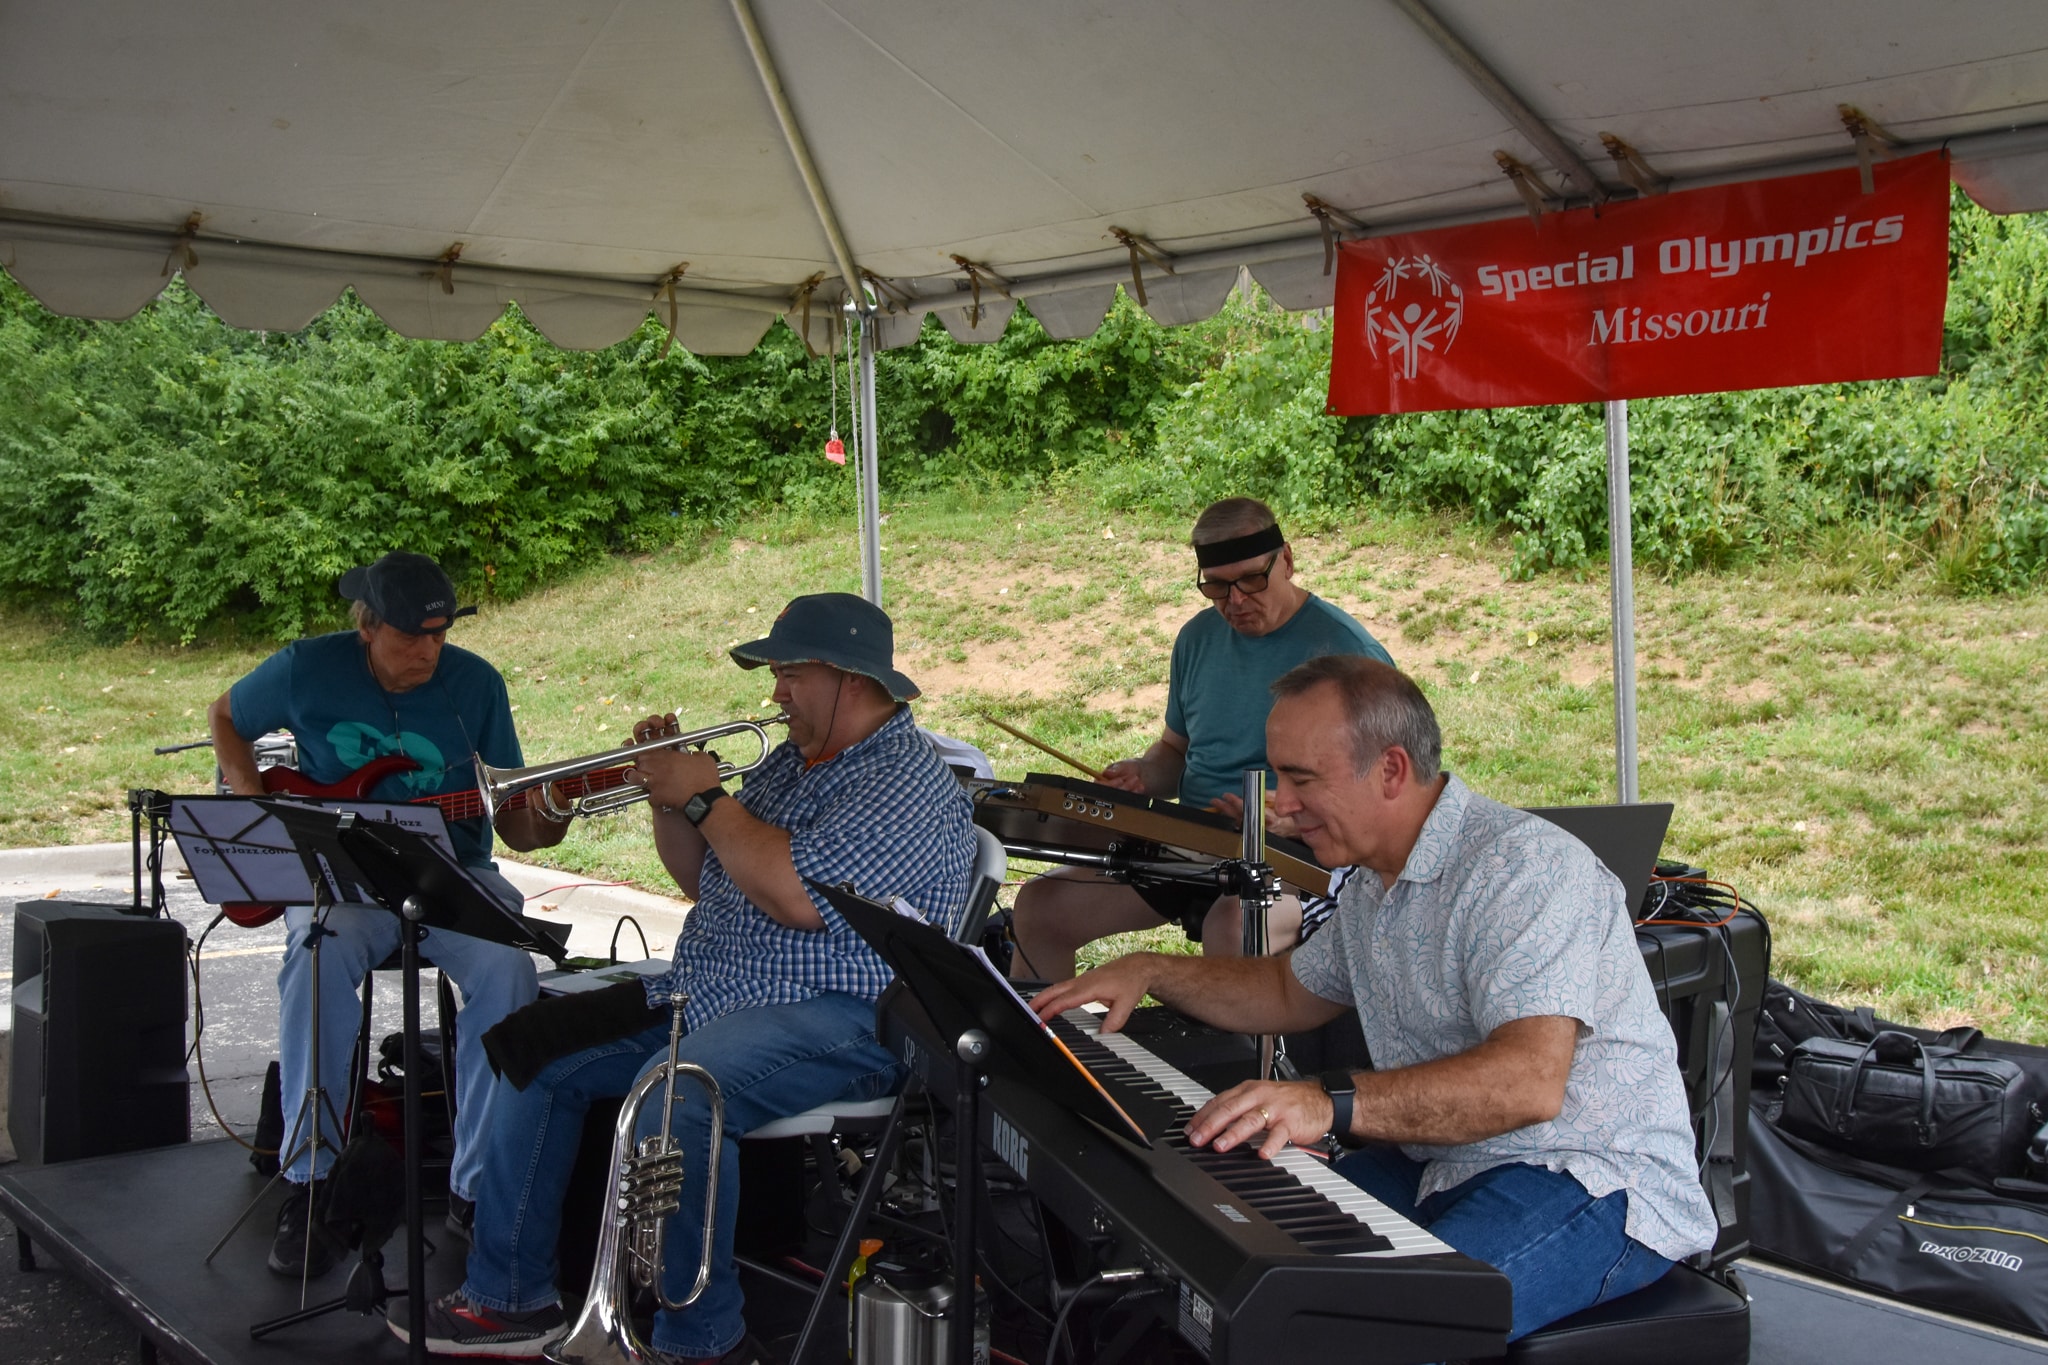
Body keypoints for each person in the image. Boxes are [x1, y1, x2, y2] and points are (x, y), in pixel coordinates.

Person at [1032, 656, 1717, 1343]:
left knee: (1359, 1334)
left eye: (1302, 778)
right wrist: (1152, 970)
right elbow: (1286, 988)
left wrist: (1326, 1101)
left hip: (1590, 1176)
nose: (1280, 802)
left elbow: (1528, 1081)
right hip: (1441, 1156)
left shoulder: (1524, 870)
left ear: (1391, 770)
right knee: (1243, 1265)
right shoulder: (1371, 880)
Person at [399, 592, 975, 1364]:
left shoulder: (903, 783)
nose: (775, 693)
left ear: (850, 678)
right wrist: (672, 802)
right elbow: (709, 878)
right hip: (717, 986)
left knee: (680, 1094)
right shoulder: (793, 762)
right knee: (534, 1049)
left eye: (790, 674)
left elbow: (797, 898)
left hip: (848, 1010)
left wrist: (705, 794)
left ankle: (701, 1341)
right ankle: (508, 1298)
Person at [207, 552, 569, 1278]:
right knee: (315, 953)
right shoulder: (308, 668)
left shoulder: (477, 684)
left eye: (438, 635)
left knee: (509, 969)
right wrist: (247, 790)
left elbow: (515, 825)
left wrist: (552, 815)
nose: (428, 651)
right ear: (367, 627)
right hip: (344, 881)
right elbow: (226, 714)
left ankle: (475, 1189)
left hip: (457, 875)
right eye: (410, 636)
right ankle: (311, 1181)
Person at [1009, 497, 1392, 980]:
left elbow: (1383, 793)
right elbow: (1176, 750)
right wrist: (1144, 775)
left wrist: (1297, 817)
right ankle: (1050, 1052)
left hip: (1300, 855)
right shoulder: (1197, 639)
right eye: (1215, 586)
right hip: (1192, 842)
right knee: (1041, 907)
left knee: (1235, 924)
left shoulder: (1348, 654)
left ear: (1287, 561)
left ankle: (1237, 1052)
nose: (1233, 601)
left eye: (1251, 580)